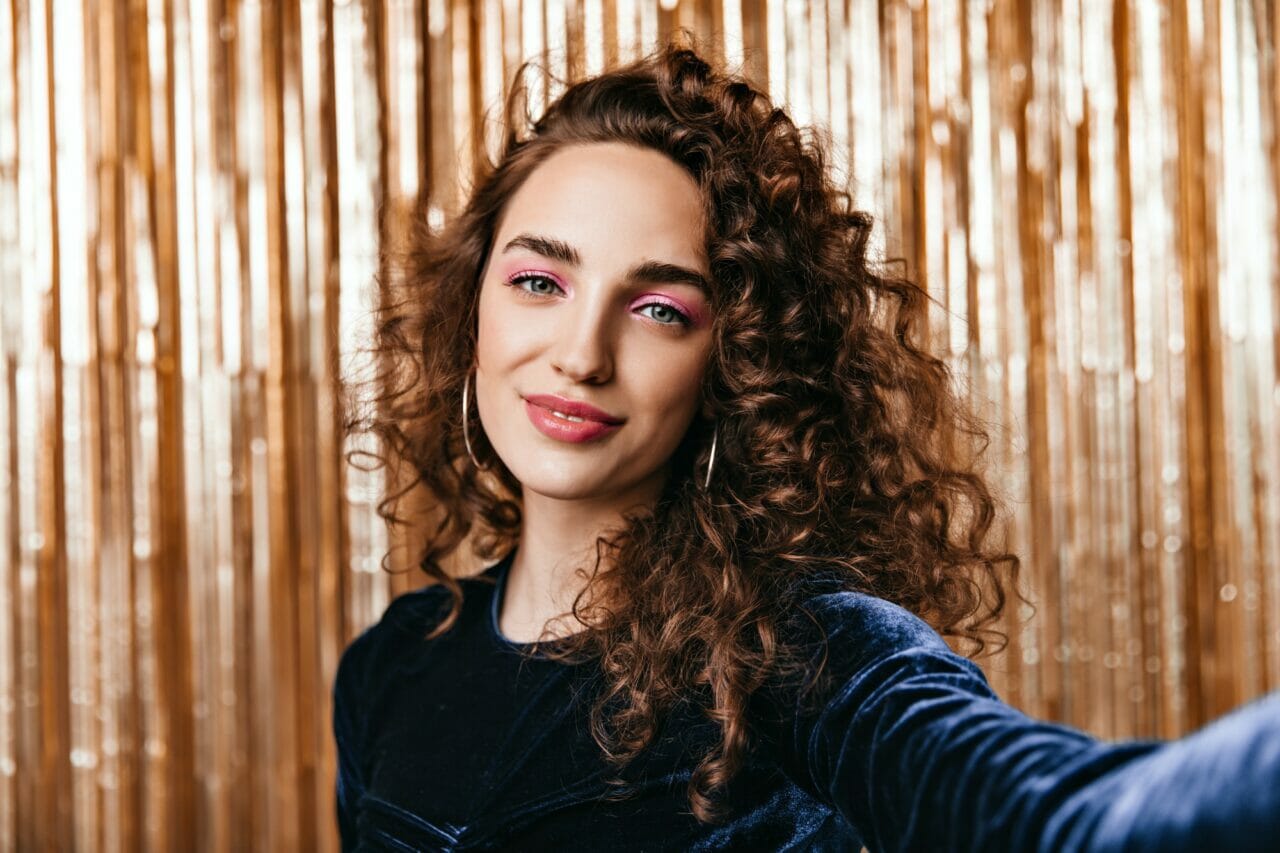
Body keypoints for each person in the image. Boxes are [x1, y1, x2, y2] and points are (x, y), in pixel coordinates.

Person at [333, 36, 1280, 852]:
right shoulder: (392, 666)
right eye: (540, 281)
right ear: (473, 310)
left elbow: (1060, 819)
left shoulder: (805, 654)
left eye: (660, 307)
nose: (582, 354)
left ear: (737, 360)